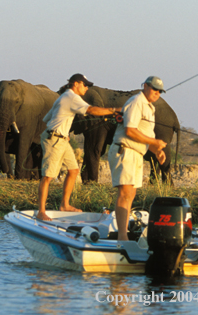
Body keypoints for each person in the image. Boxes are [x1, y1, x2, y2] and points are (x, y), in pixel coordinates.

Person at [37, 74, 119, 221]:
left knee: (74, 170)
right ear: (76, 84)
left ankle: (64, 205)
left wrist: (64, 131)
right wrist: (113, 110)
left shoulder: (63, 97)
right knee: (48, 176)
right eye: (85, 84)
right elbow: (92, 110)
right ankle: (41, 211)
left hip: (62, 139)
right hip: (54, 140)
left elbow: (47, 118)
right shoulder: (71, 97)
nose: (87, 88)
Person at [108, 76, 168, 241]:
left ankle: (124, 234)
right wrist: (155, 142)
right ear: (145, 86)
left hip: (136, 154)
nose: (157, 93)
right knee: (125, 193)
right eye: (154, 89)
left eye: (160, 91)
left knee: (131, 194)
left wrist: (156, 150)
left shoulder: (149, 107)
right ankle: (122, 237)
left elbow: (146, 134)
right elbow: (130, 130)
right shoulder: (136, 102)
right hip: (125, 150)